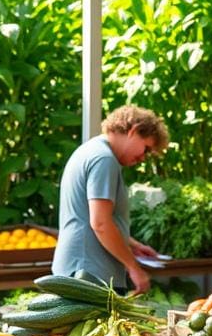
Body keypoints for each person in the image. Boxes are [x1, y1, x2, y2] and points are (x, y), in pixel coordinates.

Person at [53, 107, 169, 294]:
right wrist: (133, 267)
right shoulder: (104, 159)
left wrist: (132, 245)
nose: (142, 158)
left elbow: (92, 217)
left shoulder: (92, 151)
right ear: (134, 130)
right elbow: (100, 223)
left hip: (81, 270)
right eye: (146, 149)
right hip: (90, 274)